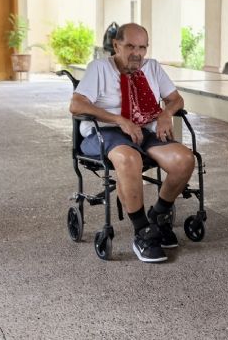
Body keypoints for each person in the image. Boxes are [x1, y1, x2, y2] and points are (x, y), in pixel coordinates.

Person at [69, 23, 195, 263]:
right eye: (130, 46)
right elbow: (76, 105)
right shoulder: (99, 68)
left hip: (144, 130)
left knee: (184, 160)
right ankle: (142, 232)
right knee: (129, 158)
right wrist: (119, 120)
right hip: (105, 131)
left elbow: (176, 99)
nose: (137, 53)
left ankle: (157, 216)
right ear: (116, 45)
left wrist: (165, 114)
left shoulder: (152, 67)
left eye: (142, 47)